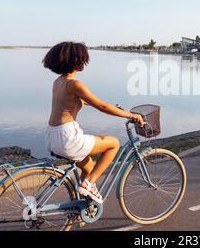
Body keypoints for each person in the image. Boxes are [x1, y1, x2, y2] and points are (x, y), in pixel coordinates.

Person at [43, 42, 144, 204]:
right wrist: (130, 115)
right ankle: (88, 185)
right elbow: (102, 107)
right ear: (76, 61)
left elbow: (68, 104)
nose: (85, 62)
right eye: (83, 59)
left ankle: (80, 206)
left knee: (89, 167)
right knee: (113, 143)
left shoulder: (59, 82)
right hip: (67, 138)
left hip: (52, 137)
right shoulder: (75, 84)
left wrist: (85, 103)